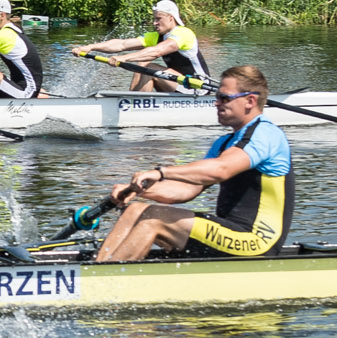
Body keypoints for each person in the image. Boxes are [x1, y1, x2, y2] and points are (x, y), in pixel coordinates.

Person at [92, 66, 296, 262]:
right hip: (231, 232)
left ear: (250, 101)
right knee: (135, 210)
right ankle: (98, 269)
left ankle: (104, 282)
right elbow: (188, 189)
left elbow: (221, 170)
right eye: (217, 97)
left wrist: (160, 172)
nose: (216, 103)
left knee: (154, 218)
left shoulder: (266, 134)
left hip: (257, 241)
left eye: (224, 98)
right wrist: (136, 191)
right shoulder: (224, 142)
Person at [71, 0, 209, 92]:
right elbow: (121, 44)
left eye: (158, 19)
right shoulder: (156, 36)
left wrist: (124, 58)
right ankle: (132, 100)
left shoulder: (184, 34)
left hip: (198, 87)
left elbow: (156, 52)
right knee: (142, 63)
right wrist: (90, 47)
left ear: (171, 18)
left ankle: (135, 106)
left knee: (148, 65)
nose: (154, 22)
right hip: (180, 84)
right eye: (153, 19)